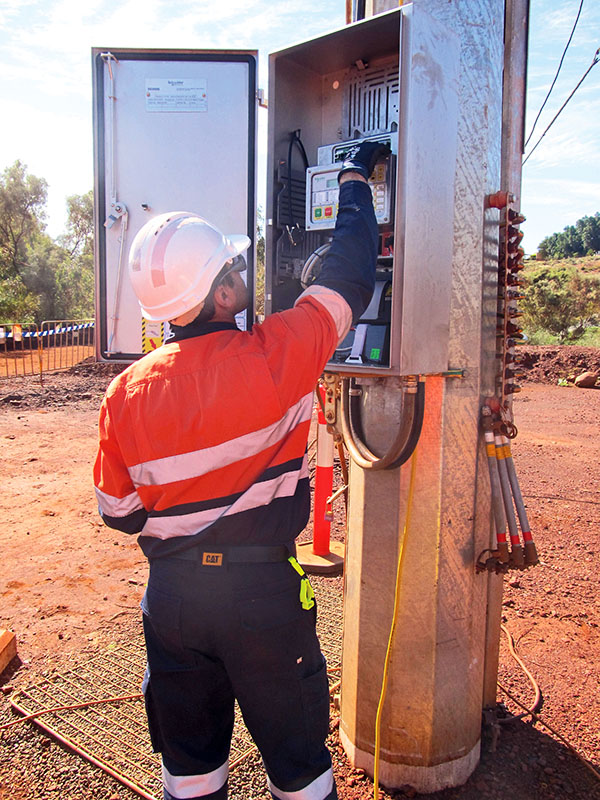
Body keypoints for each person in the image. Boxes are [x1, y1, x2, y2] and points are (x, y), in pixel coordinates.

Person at [93, 141, 386, 800]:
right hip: (264, 602)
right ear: (223, 291)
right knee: (299, 772)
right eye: (235, 265)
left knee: (190, 773)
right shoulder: (277, 355)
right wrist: (355, 178)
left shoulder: (125, 393)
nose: (245, 271)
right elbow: (349, 276)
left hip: (170, 604)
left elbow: (121, 515)